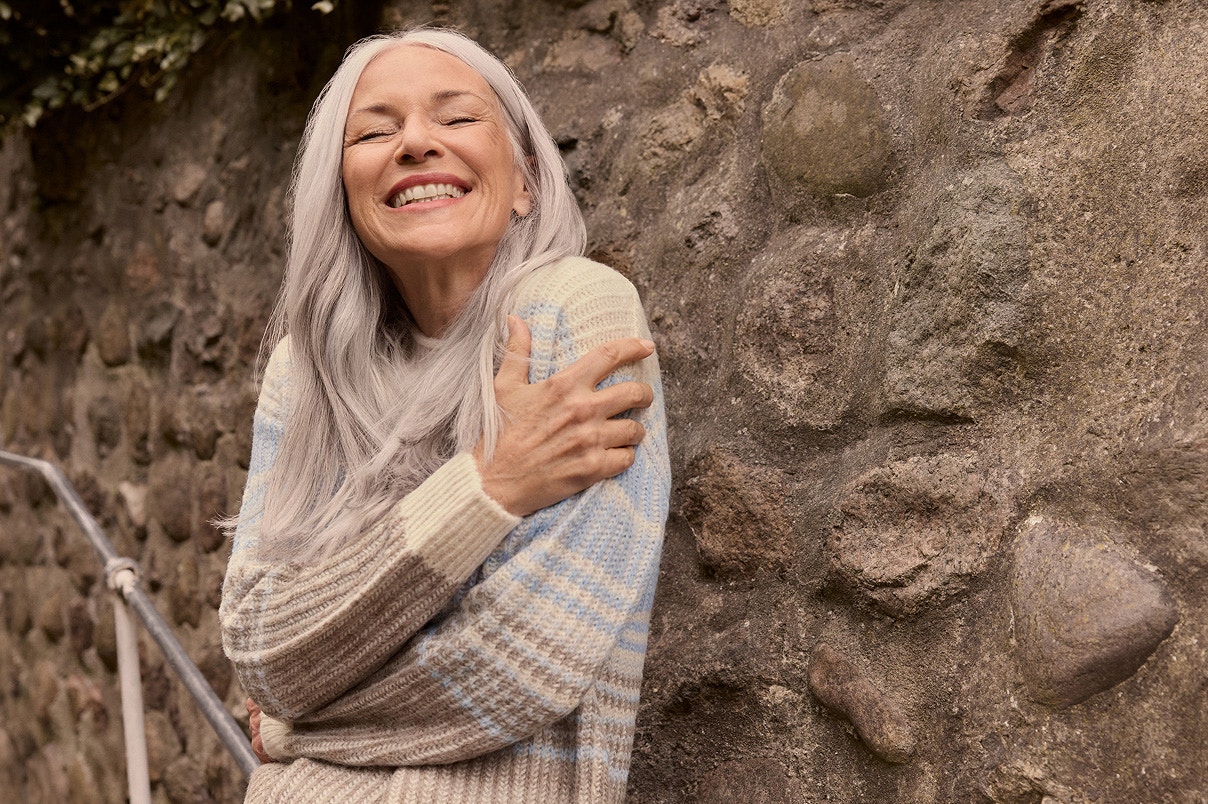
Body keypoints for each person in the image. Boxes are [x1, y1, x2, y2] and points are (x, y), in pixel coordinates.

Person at [218, 26, 670, 804]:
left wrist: (294, 730)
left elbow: (523, 662)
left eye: (457, 118)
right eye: (374, 130)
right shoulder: (307, 370)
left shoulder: (575, 311)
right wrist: (485, 489)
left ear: (526, 179)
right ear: (344, 192)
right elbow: (260, 650)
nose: (417, 143)